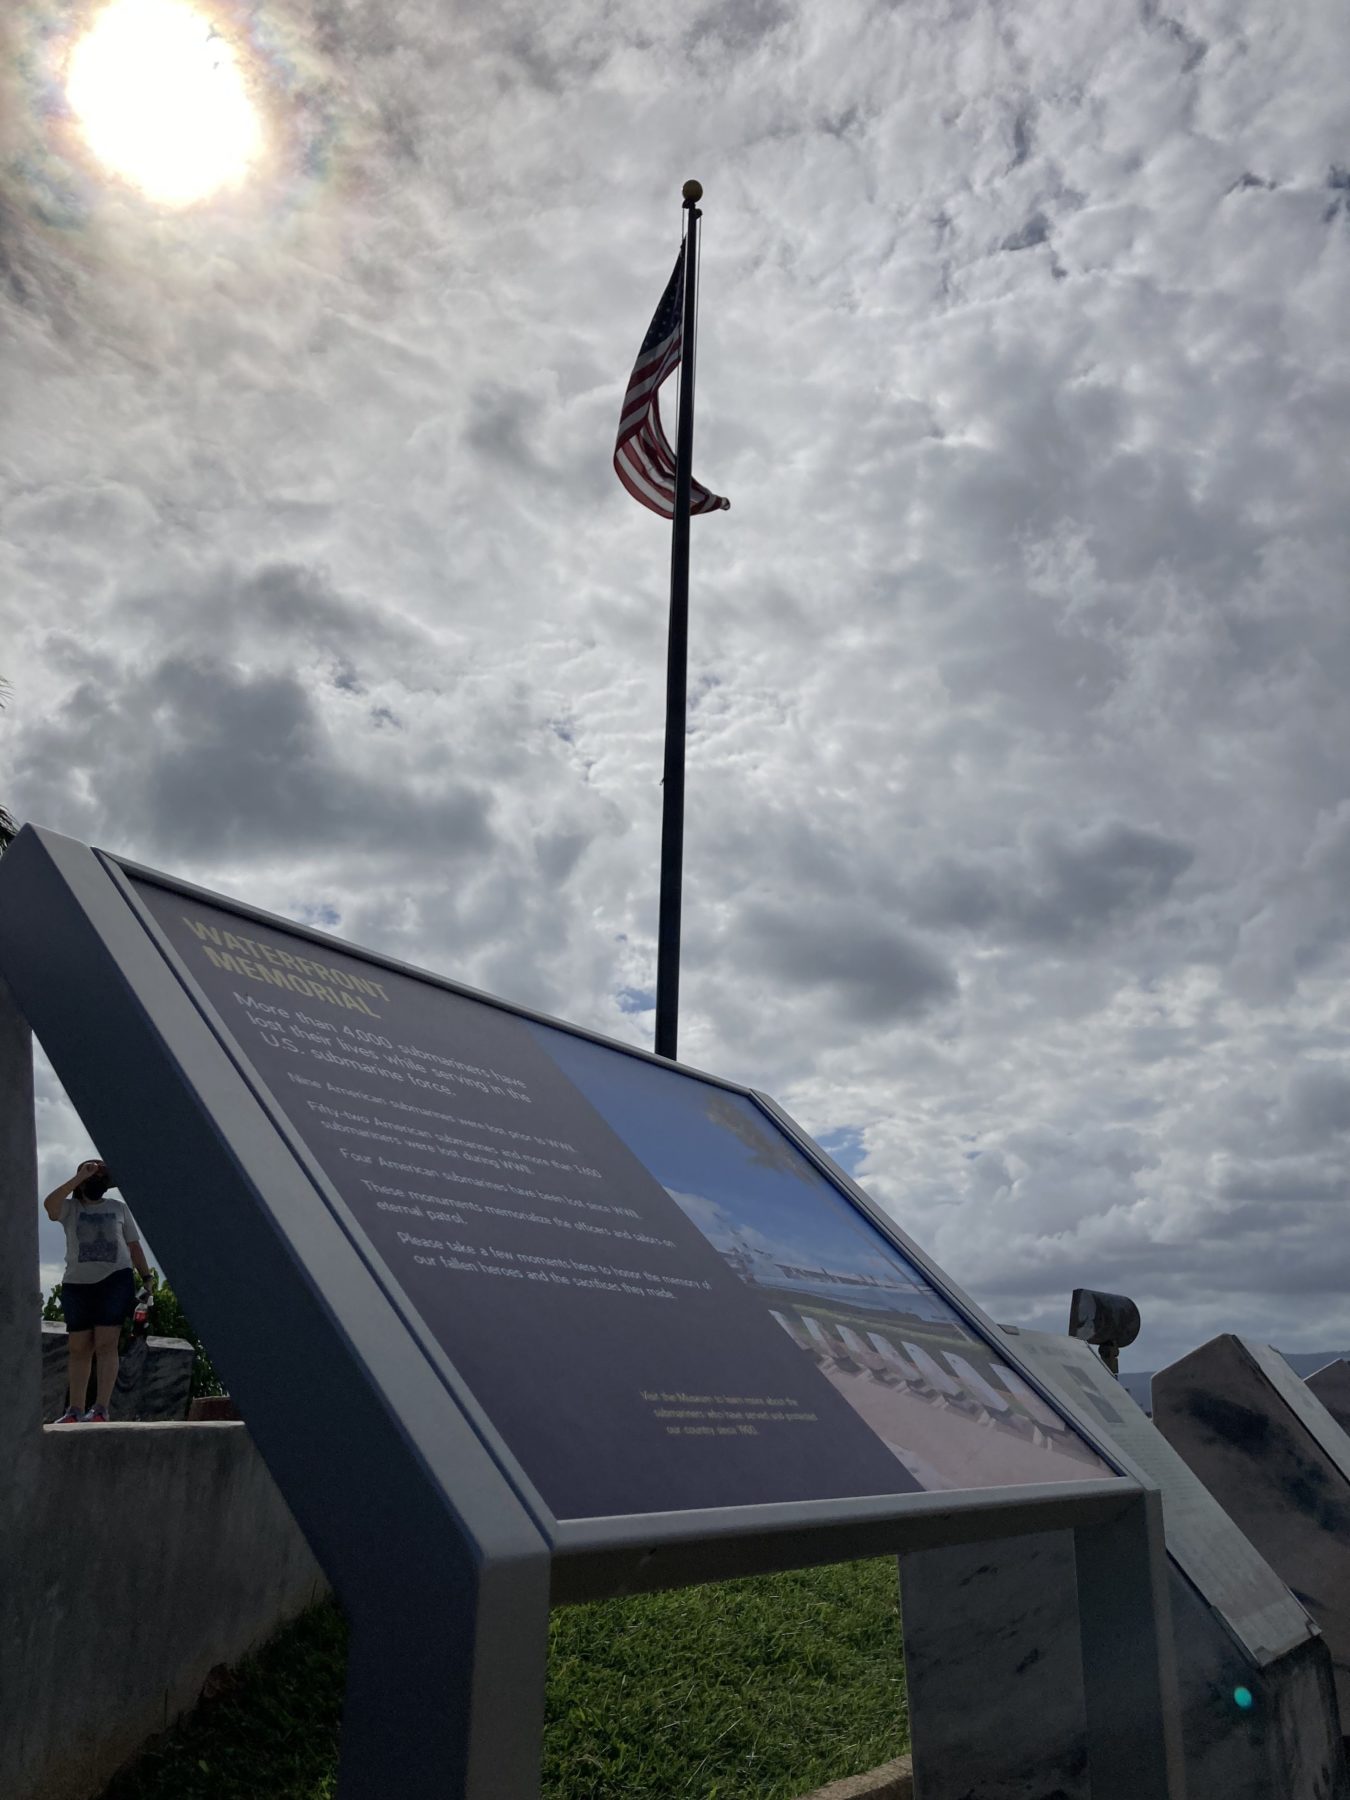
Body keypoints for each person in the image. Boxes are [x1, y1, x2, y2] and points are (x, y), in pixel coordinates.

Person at [43, 1158, 150, 1423]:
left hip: (115, 1279)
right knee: (79, 1346)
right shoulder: (70, 1208)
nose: (97, 1181)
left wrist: (146, 1277)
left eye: (101, 1178)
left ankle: (101, 1408)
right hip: (77, 1283)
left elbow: (133, 1246)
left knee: (105, 1343)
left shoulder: (118, 1208)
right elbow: (50, 1206)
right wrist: (80, 1177)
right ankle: (75, 1410)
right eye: (92, 1177)